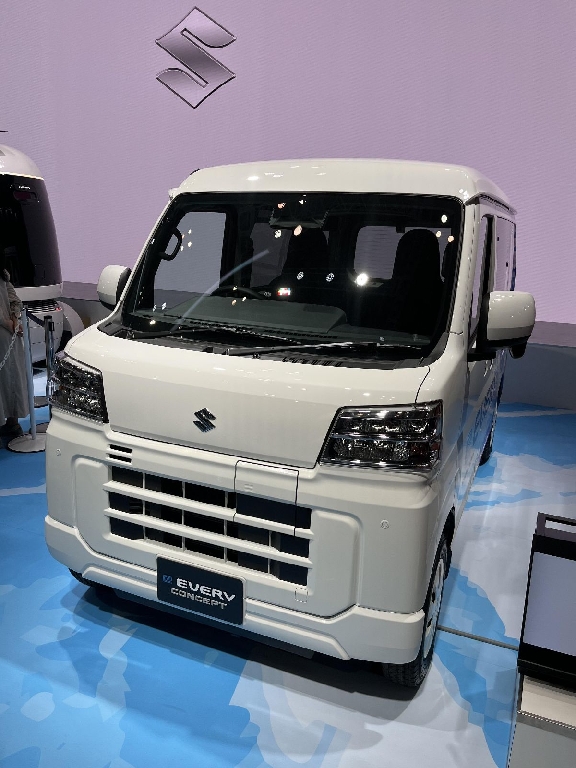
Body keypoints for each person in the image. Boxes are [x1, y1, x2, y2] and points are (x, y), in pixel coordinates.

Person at [0, 266, 28, 442]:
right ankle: (13, 424)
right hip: (9, 333)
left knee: (9, 377)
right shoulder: (3, 273)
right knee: (12, 377)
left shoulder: (3, 274)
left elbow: (14, 299)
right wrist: (14, 320)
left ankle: (11, 424)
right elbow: (14, 300)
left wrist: (10, 322)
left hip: (7, 332)